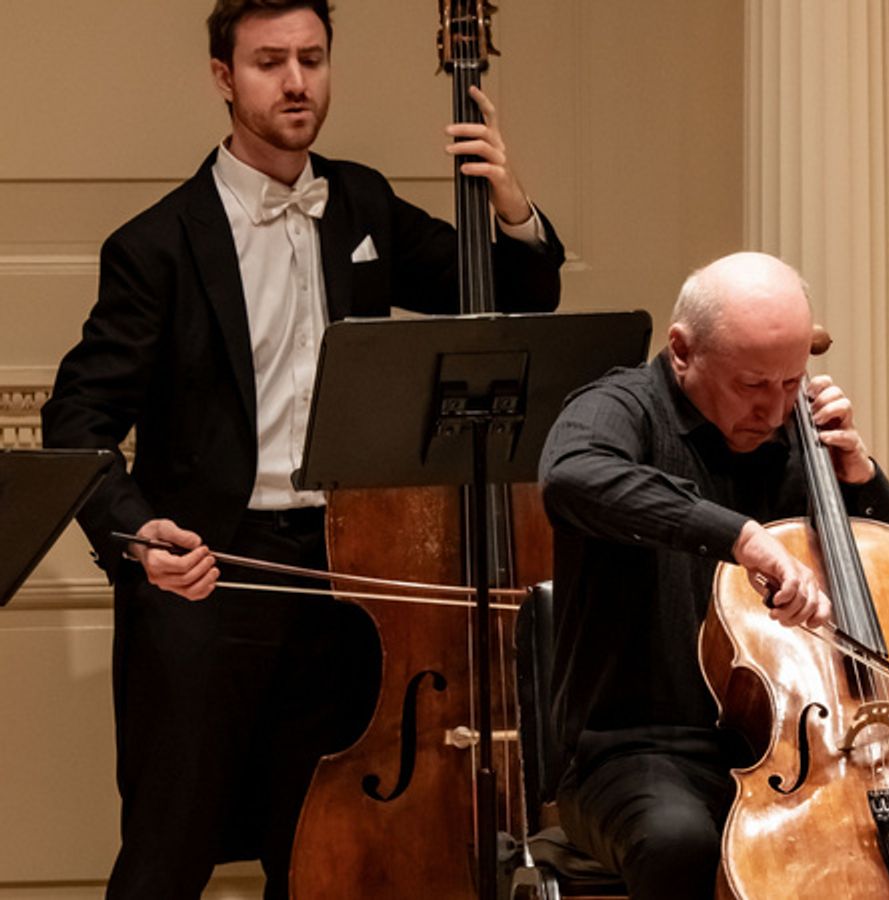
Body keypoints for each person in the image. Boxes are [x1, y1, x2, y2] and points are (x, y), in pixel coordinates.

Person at [39, 1, 564, 897]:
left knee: (324, 841)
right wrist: (139, 536)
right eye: (269, 61)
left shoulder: (360, 202)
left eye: (312, 59)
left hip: (346, 571)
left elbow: (519, 296)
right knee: (171, 842)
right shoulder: (154, 246)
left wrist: (509, 202)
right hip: (215, 571)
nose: (295, 82)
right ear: (222, 78)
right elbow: (75, 420)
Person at [537, 251, 889, 900]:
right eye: (753, 385)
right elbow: (571, 476)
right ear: (682, 352)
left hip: (797, 744)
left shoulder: (802, 436)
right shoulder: (622, 408)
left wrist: (861, 476)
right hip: (634, 749)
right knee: (682, 842)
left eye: (791, 383)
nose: (777, 410)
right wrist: (741, 537)